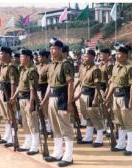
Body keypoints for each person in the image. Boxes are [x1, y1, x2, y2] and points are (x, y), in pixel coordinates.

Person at [41, 38, 74, 167]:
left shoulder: (66, 64)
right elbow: (49, 84)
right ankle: (57, 152)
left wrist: (70, 102)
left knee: (65, 126)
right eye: (50, 48)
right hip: (52, 98)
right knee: (55, 127)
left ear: (60, 50)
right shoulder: (51, 65)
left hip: (62, 97)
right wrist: (44, 100)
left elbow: (70, 84)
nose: (52, 51)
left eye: (54, 48)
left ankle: (68, 155)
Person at [105, 46, 132, 156]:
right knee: (119, 121)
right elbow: (112, 83)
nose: (118, 56)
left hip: (125, 95)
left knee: (128, 122)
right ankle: (121, 144)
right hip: (116, 96)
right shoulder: (115, 67)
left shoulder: (130, 67)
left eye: (120, 55)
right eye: (117, 54)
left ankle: (130, 146)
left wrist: (131, 101)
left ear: (126, 56)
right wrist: (108, 97)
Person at [11, 49, 40, 155]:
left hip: (29, 98)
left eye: (22, 57)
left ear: (28, 57)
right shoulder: (23, 70)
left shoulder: (32, 70)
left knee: (32, 122)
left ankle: (35, 145)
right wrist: (14, 96)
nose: (20, 59)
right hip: (21, 98)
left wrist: (32, 103)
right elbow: (19, 85)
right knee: (25, 122)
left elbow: (33, 88)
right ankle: (28, 142)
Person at [0, 47, 19, 147]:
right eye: (0, 54)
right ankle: (7, 135)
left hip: (8, 92)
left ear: (8, 55)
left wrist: (13, 96)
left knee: (10, 115)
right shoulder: (2, 66)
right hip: (2, 91)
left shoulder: (11, 67)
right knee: (5, 115)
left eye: (2, 54)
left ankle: (13, 137)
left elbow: (13, 83)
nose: (0, 56)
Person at [36, 49, 52, 134]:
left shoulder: (49, 66)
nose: (39, 58)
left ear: (45, 57)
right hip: (38, 89)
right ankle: (42, 126)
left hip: (45, 88)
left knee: (46, 109)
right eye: (38, 56)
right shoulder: (38, 66)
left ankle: (49, 128)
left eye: (40, 56)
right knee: (39, 109)